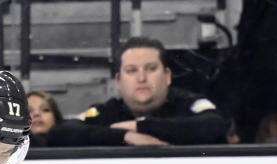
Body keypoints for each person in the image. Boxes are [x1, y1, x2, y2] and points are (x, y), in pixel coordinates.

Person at [48, 36, 229, 146]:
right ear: (119, 81)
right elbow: (61, 132)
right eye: (131, 70)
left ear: (167, 75)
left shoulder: (190, 103)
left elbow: (214, 125)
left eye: (150, 68)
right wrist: (125, 136)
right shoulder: (108, 111)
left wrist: (140, 126)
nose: (141, 78)